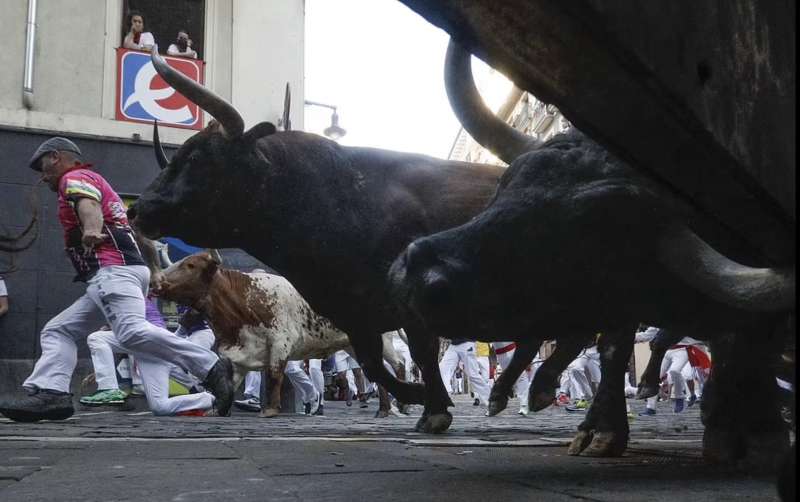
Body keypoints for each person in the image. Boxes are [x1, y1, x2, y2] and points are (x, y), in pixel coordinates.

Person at [0, 137, 232, 422]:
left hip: (112, 271)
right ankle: (52, 392)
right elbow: (138, 234)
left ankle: (210, 366)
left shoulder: (75, 177)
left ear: (56, 157)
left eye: (42, 164)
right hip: (118, 273)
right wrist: (155, 270)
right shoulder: (103, 187)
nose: (41, 173)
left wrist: (91, 229)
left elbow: (88, 206)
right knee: (58, 330)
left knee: (131, 332)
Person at [79, 301, 217, 415]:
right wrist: (100, 372)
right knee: (160, 407)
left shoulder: (126, 293)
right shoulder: (116, 306)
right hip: (150, 351)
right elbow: (119, 344)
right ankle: (212, 399)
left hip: (152, 339)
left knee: (96, 337)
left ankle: (109, 389)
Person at [439, 339, 491, 407]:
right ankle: (446, 394)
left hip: (467, 343)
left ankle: (491, 401)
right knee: (442, 368)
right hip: (453, 345)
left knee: (473, 375)